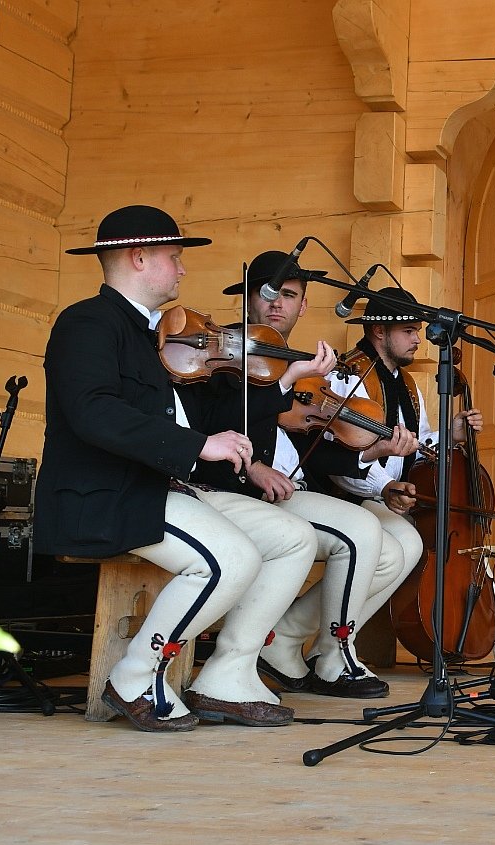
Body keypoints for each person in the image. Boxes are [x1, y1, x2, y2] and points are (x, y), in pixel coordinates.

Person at [36, 205, 319, 731]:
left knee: (293, 538)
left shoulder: (153, 334)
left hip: (161, 487)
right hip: (106, 495)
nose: (183, 270)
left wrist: (226, 431)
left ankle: (227, 675)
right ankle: (136, 676)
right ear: (139, 258)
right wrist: (198, 446)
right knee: (228, 558)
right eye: (174, 257)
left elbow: (188, 415)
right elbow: (93, 411)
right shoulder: (86, 322)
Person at [203, 251, 421, 699]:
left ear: (303, 306)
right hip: (240, 489)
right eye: (266, 293)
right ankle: (335, 656)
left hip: (293, 489)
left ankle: (286, 638)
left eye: (289, 295)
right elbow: (212, 423)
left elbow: (311, 449)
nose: (276, 303)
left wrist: (372, 452)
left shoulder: (300, 369)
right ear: (247, 299)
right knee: (362, 531)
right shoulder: (225, 354)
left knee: (395, 551)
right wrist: (257, 455)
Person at [329, 292, 495, 669]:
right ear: (379, 331)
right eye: (409, 331)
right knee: (424, 543)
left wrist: (451, 434)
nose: (418, 339)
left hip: (403, 497)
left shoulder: (407, 384)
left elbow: (417, 446)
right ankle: (335, 644)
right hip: (358, 496)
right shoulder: (348, 376)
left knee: (461, 544)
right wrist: (383, 486)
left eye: (417, 331)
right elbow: (339, 456)